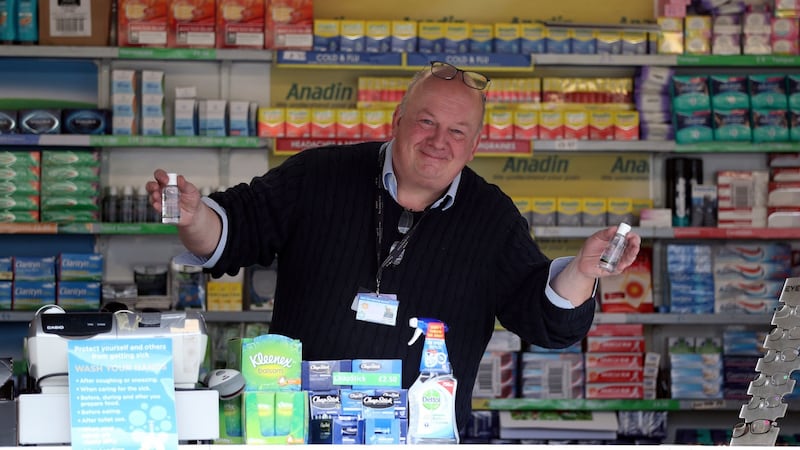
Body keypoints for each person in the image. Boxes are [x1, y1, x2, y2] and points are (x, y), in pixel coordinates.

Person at [146, 60, 642, 434]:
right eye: (427, 122)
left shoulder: (492, 218)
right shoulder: (320, 174)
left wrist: (582, 269)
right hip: (304, 432)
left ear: (475, 145)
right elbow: (234, 229)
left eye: (457, 132)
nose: (438, 142)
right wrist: (193, 216)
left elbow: (546, 320)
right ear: (398, 118)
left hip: (421, 438)